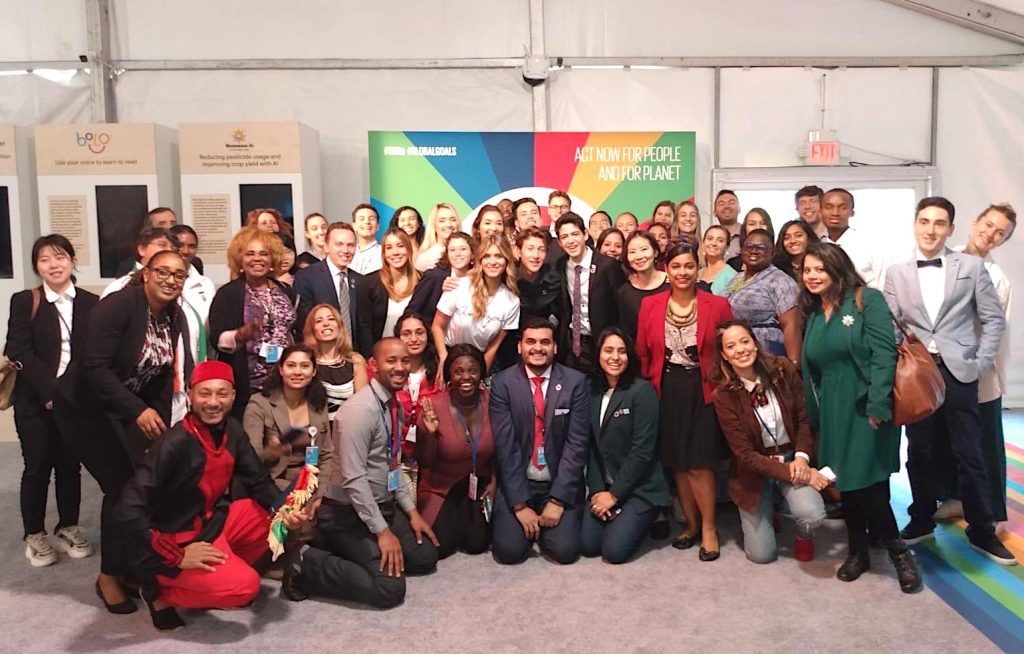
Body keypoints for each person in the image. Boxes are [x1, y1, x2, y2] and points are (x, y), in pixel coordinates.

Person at [52, 250, 188, 614]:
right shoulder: (118, 307)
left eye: (179, 274)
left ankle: (130, 565)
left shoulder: (172, 314)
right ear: (146, 274)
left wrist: (160, 425)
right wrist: (138, 411)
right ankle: (109, 576)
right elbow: (95, 368)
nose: (170, 280)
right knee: (122, 487)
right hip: (85, 409)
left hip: (127, 406)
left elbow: (163, 372)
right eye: (163, 271)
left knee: (144, 484)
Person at [883, 197, 1014, 566]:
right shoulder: (896, 272)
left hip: (961, 371)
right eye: (924, 221)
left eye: (939, 223)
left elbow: (993, 321)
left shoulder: (972, 267)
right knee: (920, 451)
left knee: (970, 453)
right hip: (917, 373)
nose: (931, 229)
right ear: (915, 224)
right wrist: (897, 366)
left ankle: (982, 530)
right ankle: (921, 518)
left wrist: (980, 362)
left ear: (951, 229)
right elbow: (891, 325)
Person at [116, 361, 290, 630]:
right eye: (204, 393)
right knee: (246, 587)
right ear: (190, 395)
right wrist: (176, 556)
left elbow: (258, 481)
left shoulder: (232, 430)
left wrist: (287, 510)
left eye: (222, 394)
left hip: (208, 524)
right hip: (171, 540)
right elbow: (127, 508)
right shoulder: (174, 443)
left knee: (275, 520)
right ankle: (157, 591)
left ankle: (215, 576)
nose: (213, 402)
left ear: (233, 396)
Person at [802, 242, 923, 591]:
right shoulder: (813, 311)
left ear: (837, 268)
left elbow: (885, 354)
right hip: (833, 409)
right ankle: (858, 551)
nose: (812, 276)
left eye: (820, 269)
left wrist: (877, 404)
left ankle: (899, 552)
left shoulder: (866, 299)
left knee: (867, 484)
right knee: (848, 484)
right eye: (807, 270)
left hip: (866, 405)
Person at [285, 338, 439, 608]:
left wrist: (412, 513)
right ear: (373, 365)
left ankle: (353, 552)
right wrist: (382, 532)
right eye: (391, 361)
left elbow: (393, 463)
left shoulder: (394, 405)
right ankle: (307, 561)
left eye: (405, 360)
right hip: (346, 514)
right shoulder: (359, 411)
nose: (400, 367)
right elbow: (354, 479)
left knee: (425, 557)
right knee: (389, 589)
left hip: (383, 504)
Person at [636, 243, 733, 560]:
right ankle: (691, 524)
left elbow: (728, 350)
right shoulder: (650, 305)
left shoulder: (717, 304)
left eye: (689, 266)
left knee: (699, 463)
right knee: (678, 461)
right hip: (666, 387)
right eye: (676, 266)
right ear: (666, 269)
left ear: (697, 267)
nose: (682, 272)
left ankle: (709, 528)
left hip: (703, 388)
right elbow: (643, 352)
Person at [6, 235, 98, 567]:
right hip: (34, 400)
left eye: (60, 257)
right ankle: (34, 534)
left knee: (69, 466)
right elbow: (18, 349)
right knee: (37, 467)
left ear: (73, 261)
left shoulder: (91, 302)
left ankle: (68, 527)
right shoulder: (25, 301)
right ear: (36, 267)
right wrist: (49, 391)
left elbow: (90, 353)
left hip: (74, 400)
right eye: (44, 260)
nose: (53, 265)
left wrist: (66, 393)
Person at [711, 321, 827, 564]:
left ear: (755, 343)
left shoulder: (783, 369)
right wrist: (798, 474)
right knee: (762, 555)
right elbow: (745, 455)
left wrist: (801, 459)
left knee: (812, 514)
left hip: (792, 457)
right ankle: (768, 508)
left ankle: (803, 534)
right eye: (731, 346)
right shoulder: (723, 396)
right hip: (753, 470)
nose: (740, 349)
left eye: (745, 341)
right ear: (724, 355)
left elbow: (805, 419)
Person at [489, 317, 589, 564]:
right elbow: (506, 447)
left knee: (565, 552)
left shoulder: (575, 383)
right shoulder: (502, 383)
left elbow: (576, 445)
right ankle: (532, 521)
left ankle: (547, 521)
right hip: (520, 481)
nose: (537, 348)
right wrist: (520, 505)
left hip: (557, 482)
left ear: (555, 347)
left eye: (545, 342)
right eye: (530, 342)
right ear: (519, 346)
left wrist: (558, 500)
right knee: (509, 552)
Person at [941, 203, 1016, 522]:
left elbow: (997, 335)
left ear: (1003, 241)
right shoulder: (945, 259)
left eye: (1000, 232)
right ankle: (955, 496)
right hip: (941, 366)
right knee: (947, 438)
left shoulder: (997, 279)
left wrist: (989, 372)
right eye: (988, 225)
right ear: (974, 223)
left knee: (986, 443)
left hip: (978, 370)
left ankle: (993, 511)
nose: (990, 234)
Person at [580, 328, 668, 564]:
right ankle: (620, 515)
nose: (615, 357)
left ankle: (652, 514)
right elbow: (591, 447)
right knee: (588, 545)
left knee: (614, 552)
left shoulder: (642, 391)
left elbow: (642, 452)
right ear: (598, 354)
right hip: (606, 485)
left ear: (629, 356)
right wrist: (597, 492)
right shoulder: (591, 390)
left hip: (640, 488)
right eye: (608, 350)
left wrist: (614, 495)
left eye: (621, 351)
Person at [416, 344, 495, 559]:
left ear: (481, 374)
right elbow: (425, 461)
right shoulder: (433, 407)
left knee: (477, 544)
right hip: (440, 487)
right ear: (449, 374)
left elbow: (503, 448)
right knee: (439, 547)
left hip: (478, 485)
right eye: (459, 371)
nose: (466, 377)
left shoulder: (493, 402)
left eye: (473, 371)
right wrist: (430, 434)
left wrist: (495, 481)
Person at [208, 226, 296, 418]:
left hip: (286, 383)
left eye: (264, 254)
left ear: (272, 259)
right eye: (250, 253)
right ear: (240, 260)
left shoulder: (285, 290)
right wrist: (241, 335)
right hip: (248, 389)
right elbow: (216, 339)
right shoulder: (228, 294)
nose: (257, 258)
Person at [243, 345, 336, 500]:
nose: (297, 372)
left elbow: (326, 455)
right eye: (291, 365)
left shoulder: (319, 403)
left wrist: (320, 496)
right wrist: (271, 453)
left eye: (304, 366)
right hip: (272, 485)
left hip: (311, 485)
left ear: (314, 371)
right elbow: (249, 461)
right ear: (281, 370)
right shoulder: (260, 403)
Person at [433, 235, 520, 375]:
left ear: (506, 260)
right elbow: (437, 326)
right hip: (450, 355)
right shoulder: (459, 286)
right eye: (487, 256)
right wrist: (443, 359)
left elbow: (493, 347)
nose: (493, 262)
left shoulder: (511, 301)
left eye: (498, 256)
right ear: (480, 260)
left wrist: (481, 374)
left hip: (479, 360)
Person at [556, 212, 626, 373]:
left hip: (602, 343)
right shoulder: (561, 265)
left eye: (575, 234)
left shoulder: (607, 265)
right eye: (565, 237)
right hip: (572, 343)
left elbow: (621, 307)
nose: (570, 241)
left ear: (585, 234)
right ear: (559, 242)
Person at [722, 229, 802, 361]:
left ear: (772, 252)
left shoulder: (781, 280)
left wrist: (794, 363)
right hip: (737, 353)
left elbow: (791, 325)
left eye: (761, 247)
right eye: (749, 246)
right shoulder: (737, 278)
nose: (754, 251)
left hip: (766, 352)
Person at [294, 221, 366, 356]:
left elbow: (363, 326)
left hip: (354, 355)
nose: (346, 250)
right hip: (320, 355)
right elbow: (304, 324)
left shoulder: (360, 280)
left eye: (350, 245)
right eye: (339, 244)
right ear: (326, 247)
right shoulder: (307, 277)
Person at [357, 228, 420, 351]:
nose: (395, 252)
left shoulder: (423, 281)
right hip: (381, 354)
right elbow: (364, 326)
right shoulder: (368, 283)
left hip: (416, 354)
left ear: (408, 249)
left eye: (400, 246)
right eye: (389, 248)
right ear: (384, 253)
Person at [303, 303, 368, 421]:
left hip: (348, 427)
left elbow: (362, 407)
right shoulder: (306, 363)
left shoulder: (355, 361)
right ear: (312, 330)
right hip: (316, 428)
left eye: (331, 319)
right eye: (319, 321)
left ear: (339, 325)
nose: (326, 324)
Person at [820, 188, 887, 289]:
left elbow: (885, 283)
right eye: (829, 207)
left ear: (852, 212)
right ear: (820, 211)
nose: (835, 213)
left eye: (843, 207)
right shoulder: (818, 246)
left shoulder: (871, 245)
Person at [409, 231, 475, 327]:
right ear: (447, 254)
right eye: (452, 250)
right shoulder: (434, 277)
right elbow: (412, 312)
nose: (458, 254)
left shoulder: (478, 280)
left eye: (463, 249)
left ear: (472, 254)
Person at [617, 231, 668, 342]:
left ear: (655, 252)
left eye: (644, 249)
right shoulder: (625, 292)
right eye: (632, 252)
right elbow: (627, 334)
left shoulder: (672, 284)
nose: (639, 256)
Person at [102, 227, 179, 298]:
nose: (169, 250)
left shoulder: (179, 287)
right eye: (162, 245)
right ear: (142, 249)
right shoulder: (119, 287)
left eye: (173, 248)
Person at [114, 208, 189, 277]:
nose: (169, 227)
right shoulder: (129, 266)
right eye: (162, 224)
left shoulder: (187, 259)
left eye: (173, 223)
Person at [415, 203, 461, 272]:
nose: (449, 224)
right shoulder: (426, 258)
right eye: (442, 221)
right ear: (434, 225)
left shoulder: (469, 252)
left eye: (453, 220)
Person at [726, 208, 774, 272]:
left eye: (763, 224)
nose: (758, 227)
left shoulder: (779, 262)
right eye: (752, 224)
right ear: (744, 228)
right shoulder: (733, 264)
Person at [697, 225, 738, 295]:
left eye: (720, 240)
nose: (714, 243)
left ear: (727, 247)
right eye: (710, 239)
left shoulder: (732, 276)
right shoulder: (698, 273)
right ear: (703, 243)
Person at [350, 203, 383, 275]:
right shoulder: (348, 253)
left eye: (371, 219)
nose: (367, 222)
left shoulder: (384, 253)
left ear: (378, 226)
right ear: (354, 226)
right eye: (362, 219)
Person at [714, 189, 742, 259]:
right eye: (721, 204)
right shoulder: (709, 239)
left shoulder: (749, 235)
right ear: (714, 212)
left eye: (731, 203)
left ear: (739, 209)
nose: (727, 206)